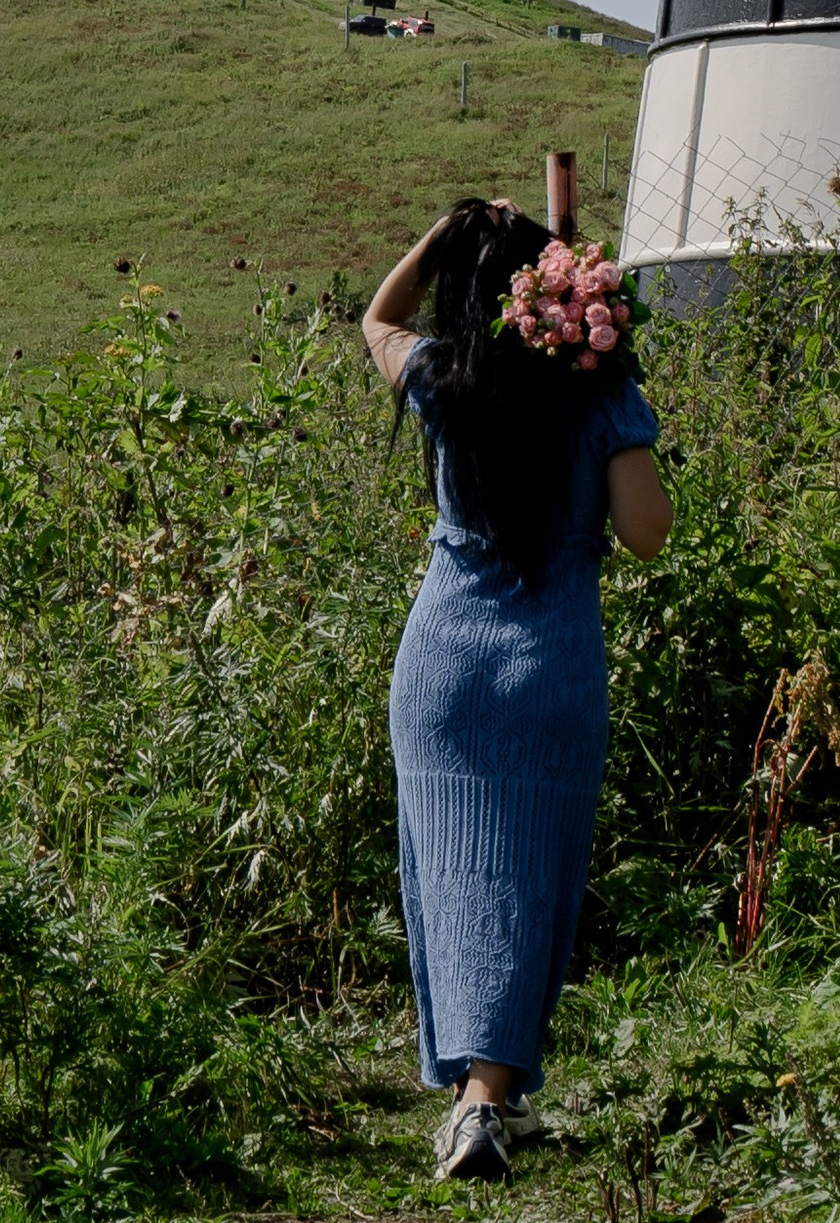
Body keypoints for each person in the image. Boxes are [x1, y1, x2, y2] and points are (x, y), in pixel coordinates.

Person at [363, 196, 673, 1187]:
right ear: (561, 293)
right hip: (550, 668)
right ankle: (485, 1099)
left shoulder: (442, 380)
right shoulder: (599, 394)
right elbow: (646, 532)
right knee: (525, 881)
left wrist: (446, 235)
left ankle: (473, 1094)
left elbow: (374, 317)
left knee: (449, 873)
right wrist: (615, 381)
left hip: (442, 666)